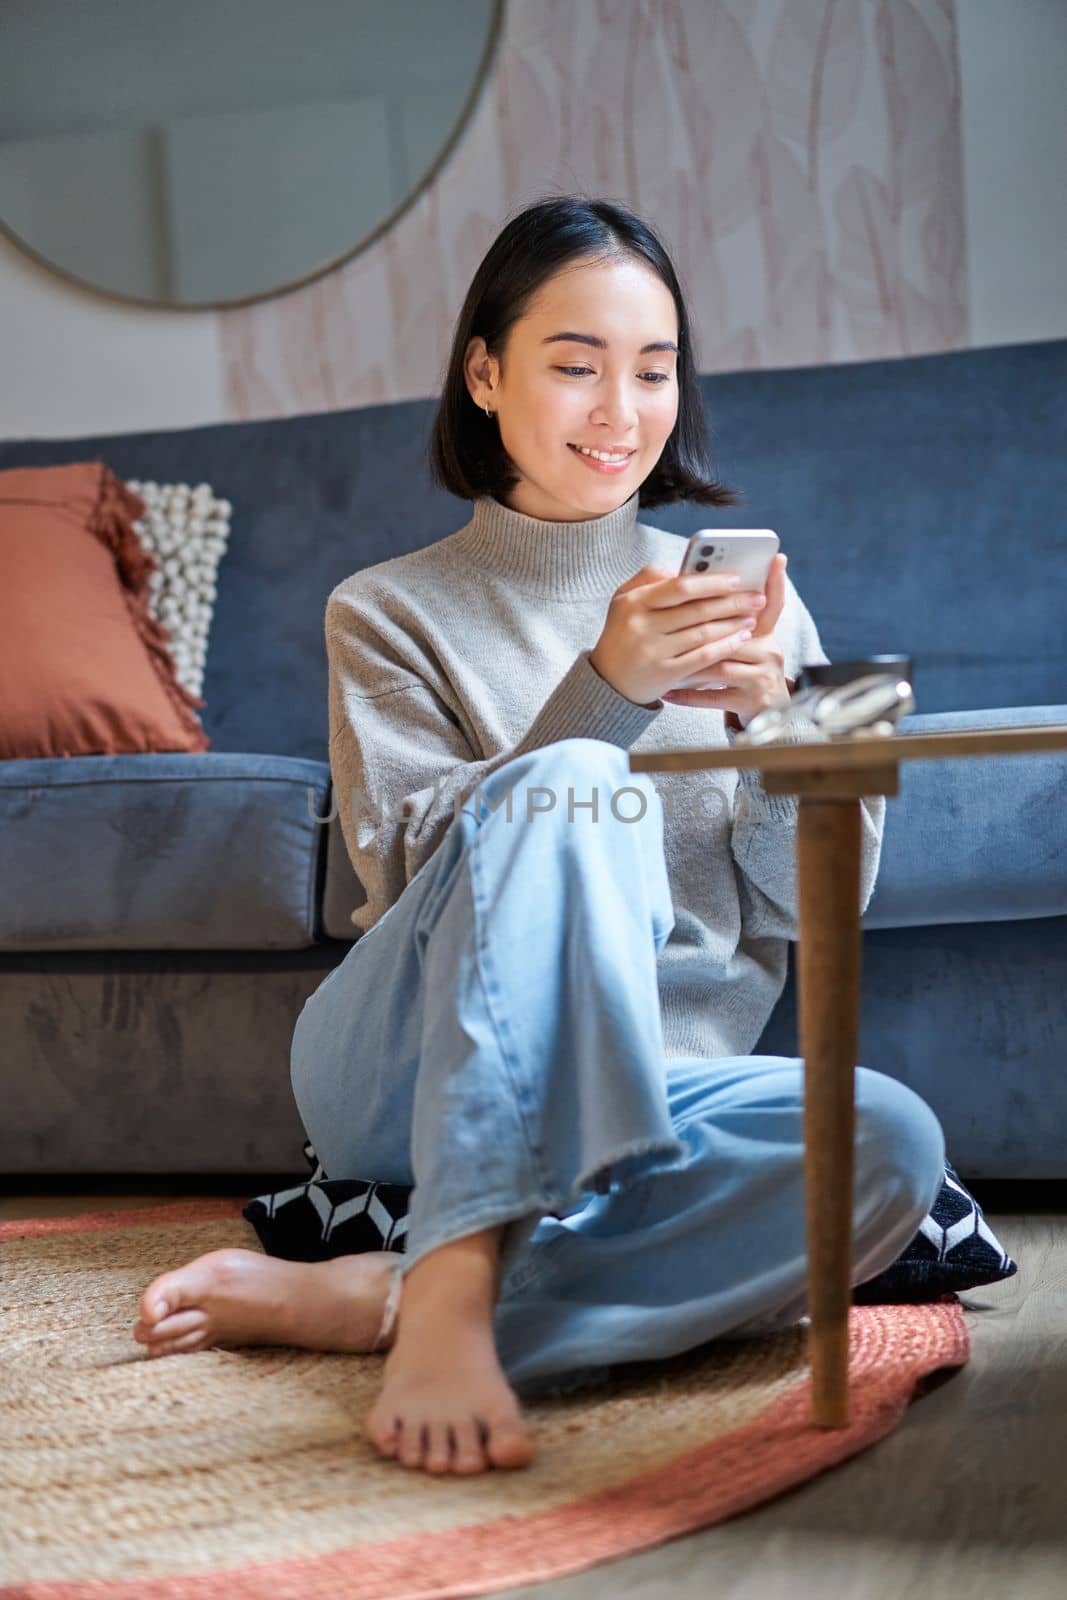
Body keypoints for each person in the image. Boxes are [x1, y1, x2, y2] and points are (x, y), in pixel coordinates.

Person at [131, 196, 946, 1479]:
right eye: (575, 365)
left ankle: (376, 1301)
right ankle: (450, 1282)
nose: (620, 410)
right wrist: (604, 693)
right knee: (572, 780)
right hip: (408, 1064)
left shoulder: (769, 611)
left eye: (653, 368)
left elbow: (815, 913)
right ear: (485, 372)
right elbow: (404, 867)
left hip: (654, 1086)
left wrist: (791, 728)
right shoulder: (384, 607)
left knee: (887, 1138)